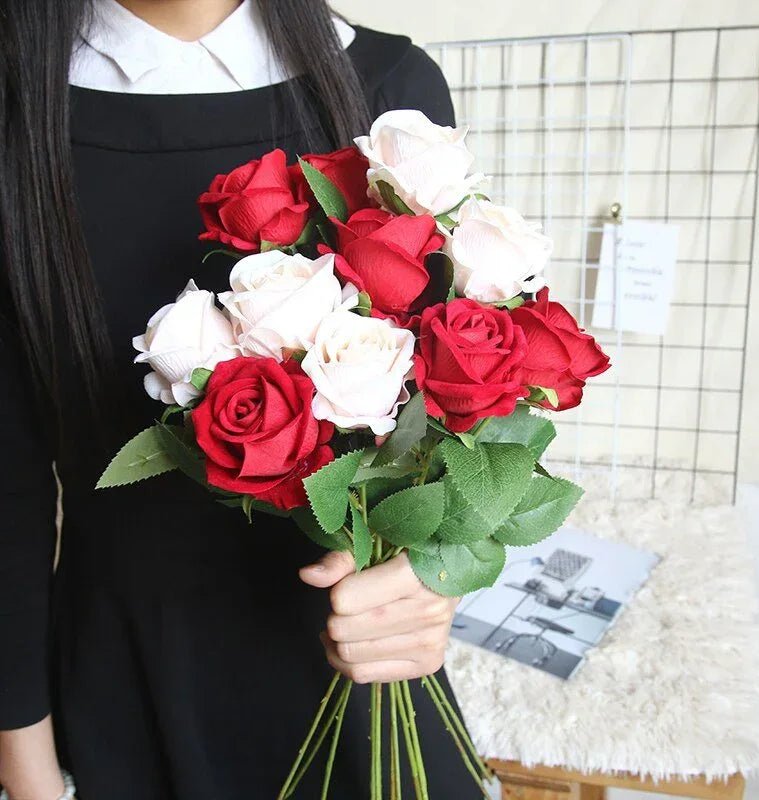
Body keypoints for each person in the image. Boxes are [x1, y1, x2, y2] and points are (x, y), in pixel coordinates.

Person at [0, 1, 477, 797]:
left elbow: (436, 424)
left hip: (356, 691)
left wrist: (430, 581)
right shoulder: (20, 100)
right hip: (122, 689)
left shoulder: (387, 85)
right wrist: (29, 772)